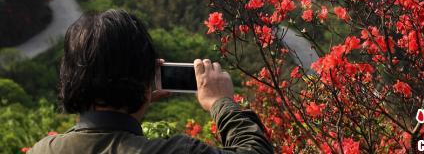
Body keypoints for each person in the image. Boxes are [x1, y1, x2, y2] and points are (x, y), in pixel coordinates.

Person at [30, 9, 273, 153]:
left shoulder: (41, 150)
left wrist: (133, 99)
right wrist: (221, 102)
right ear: (146, 75)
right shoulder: (174, 151)